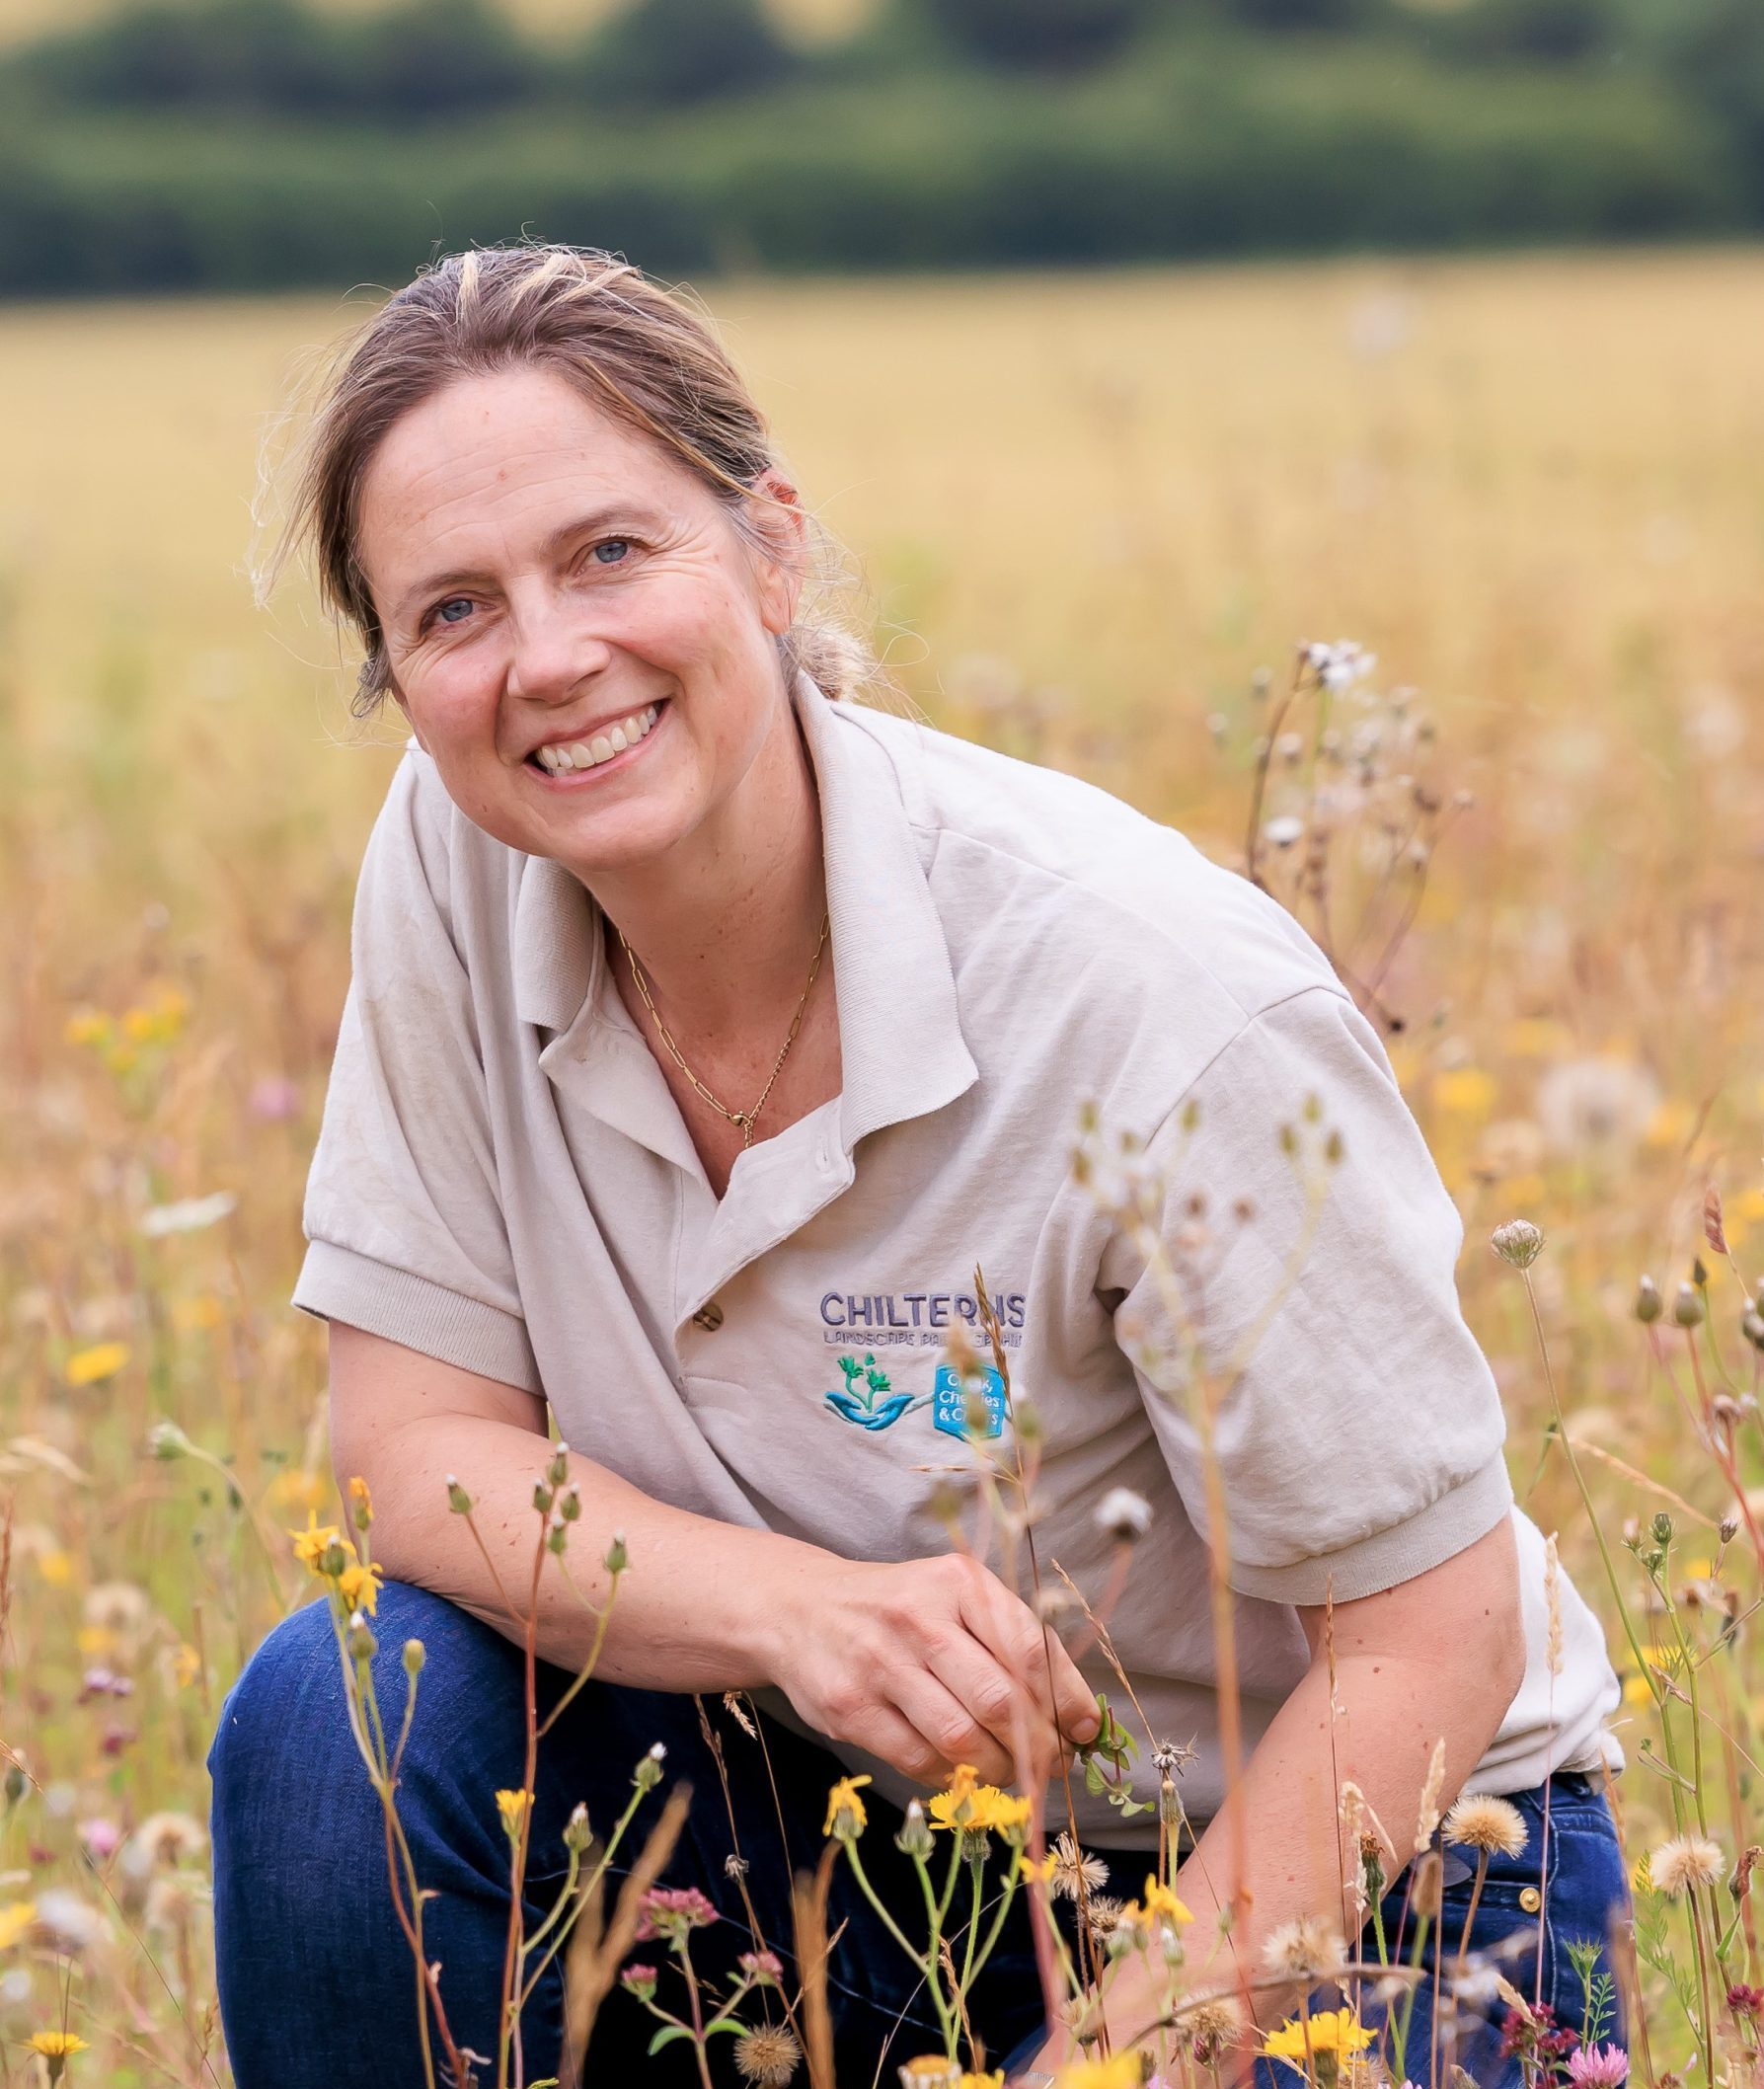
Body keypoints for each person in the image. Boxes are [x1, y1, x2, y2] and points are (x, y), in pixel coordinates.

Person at [208, 242, 1628, 2088]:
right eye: (454, 611)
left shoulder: (1153, 993)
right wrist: (801, 1614)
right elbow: (415, 1458)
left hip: (1382, 1872)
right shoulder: (462, 856)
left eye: (613, 552)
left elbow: (1428, 1640)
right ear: (397, 675)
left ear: (774, 547)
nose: (548, 659)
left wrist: (1111, 2060)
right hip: (841, 1841)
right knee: (337, 1718)